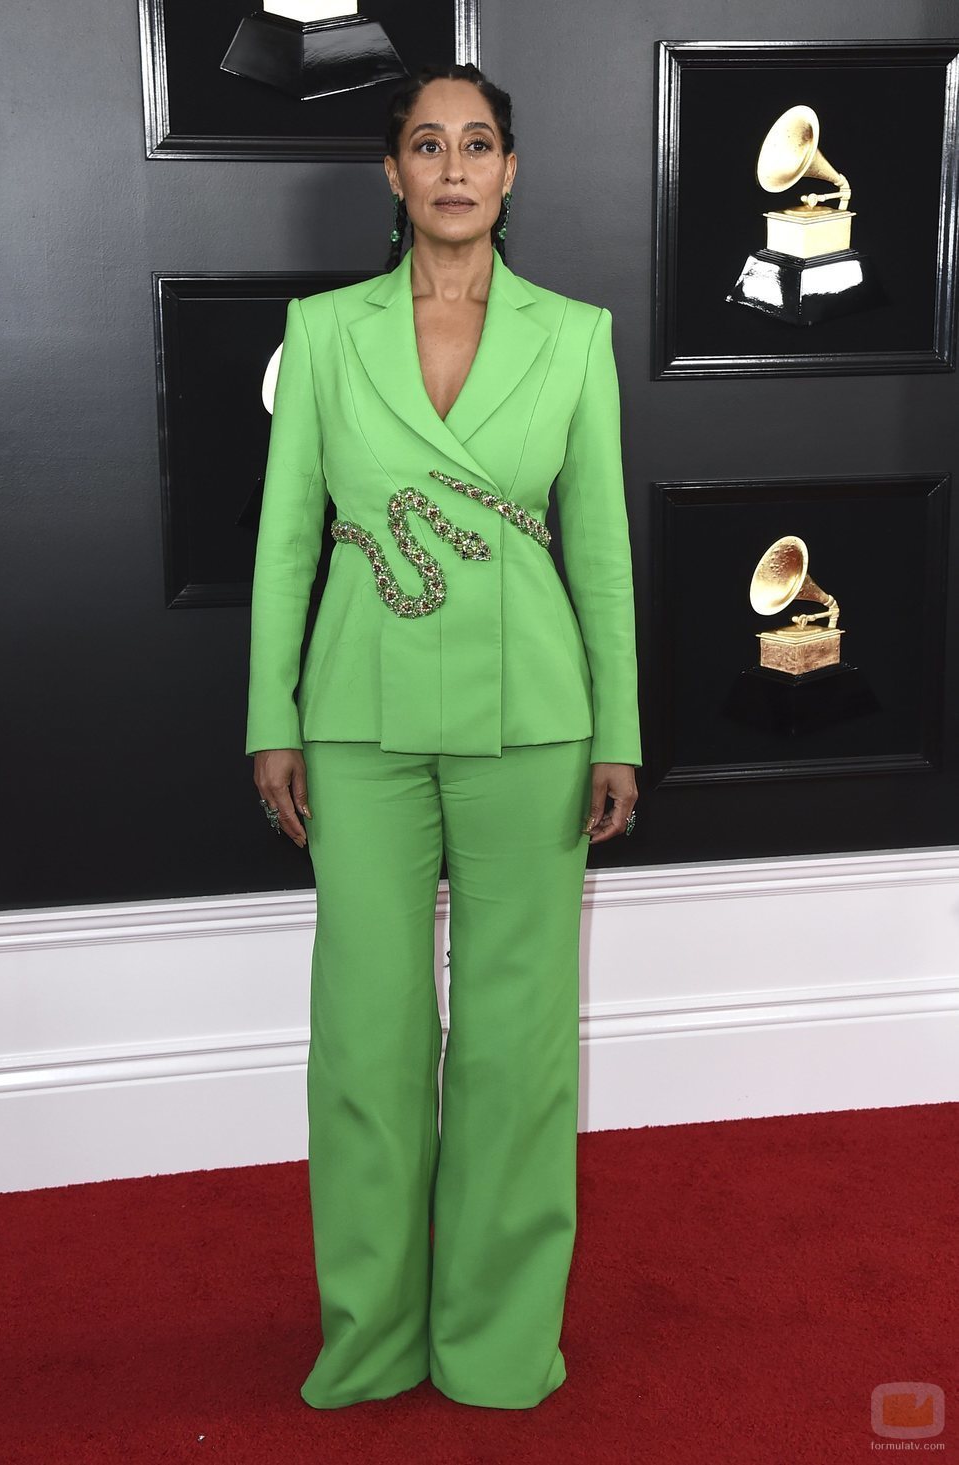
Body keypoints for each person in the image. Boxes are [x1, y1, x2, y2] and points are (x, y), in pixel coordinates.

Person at [247, 61, 642, 1411]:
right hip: (355, 719)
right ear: (394, 173)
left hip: (531, 720)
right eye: (428, 144)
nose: (455, 167)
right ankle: (366, 1337)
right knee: (365, 1037)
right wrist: (271, 718)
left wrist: (619, 733)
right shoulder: (326, 333)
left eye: (479, 143)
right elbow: (287, 541)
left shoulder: (573, 336)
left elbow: (600, 550)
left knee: (517, 1045)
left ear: (512, 171)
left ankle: (495, 1344)